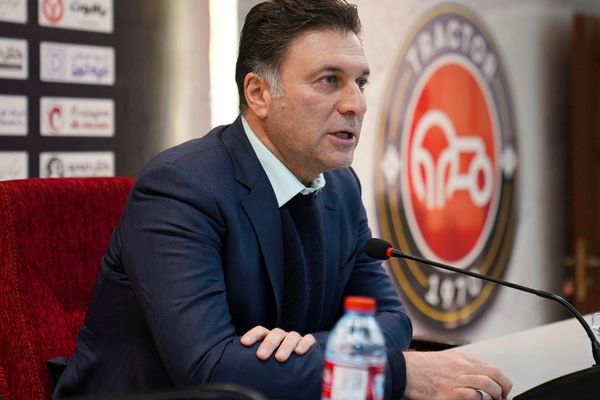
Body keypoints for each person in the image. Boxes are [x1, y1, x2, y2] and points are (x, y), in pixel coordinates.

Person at [53, 1, 512, 399]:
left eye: (360, 82)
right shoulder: (181, 188)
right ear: (259, 94)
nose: (356, 104)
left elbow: (390, 319)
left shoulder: (341, 188)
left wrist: (309, 350)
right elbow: (211, 370)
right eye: (329, 80)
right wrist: (395, 371)